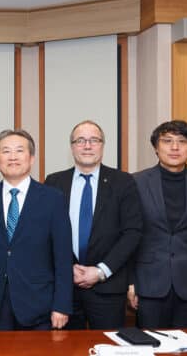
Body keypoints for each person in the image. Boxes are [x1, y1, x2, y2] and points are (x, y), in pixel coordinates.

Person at [45, 120, 142, 330]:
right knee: (64, 349)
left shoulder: (123, 182)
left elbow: (132, 233)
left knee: (108, 346)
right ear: (72, 147)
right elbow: (46, 233)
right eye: (80, 141)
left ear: (102, 145)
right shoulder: (54, 182)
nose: (87, 146)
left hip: (108, 286)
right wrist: (67, 268)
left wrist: (100, 271)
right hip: (65, 288)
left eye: (94, 140)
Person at [0, 129, 73, 330]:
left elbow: (63, 257)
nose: (12, 157)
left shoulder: (53, 199)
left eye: (19, 151)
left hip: (39, 307)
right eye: (5, 151)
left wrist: (61, 305)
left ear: (32, 158)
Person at [129, 121, 187, 328]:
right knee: (151, 346)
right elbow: (131, 237)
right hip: (150, 283)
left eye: (182, 141)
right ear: (155, 147)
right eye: (167, 141)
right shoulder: (136, 182)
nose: (175, 147)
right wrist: (131, 282)